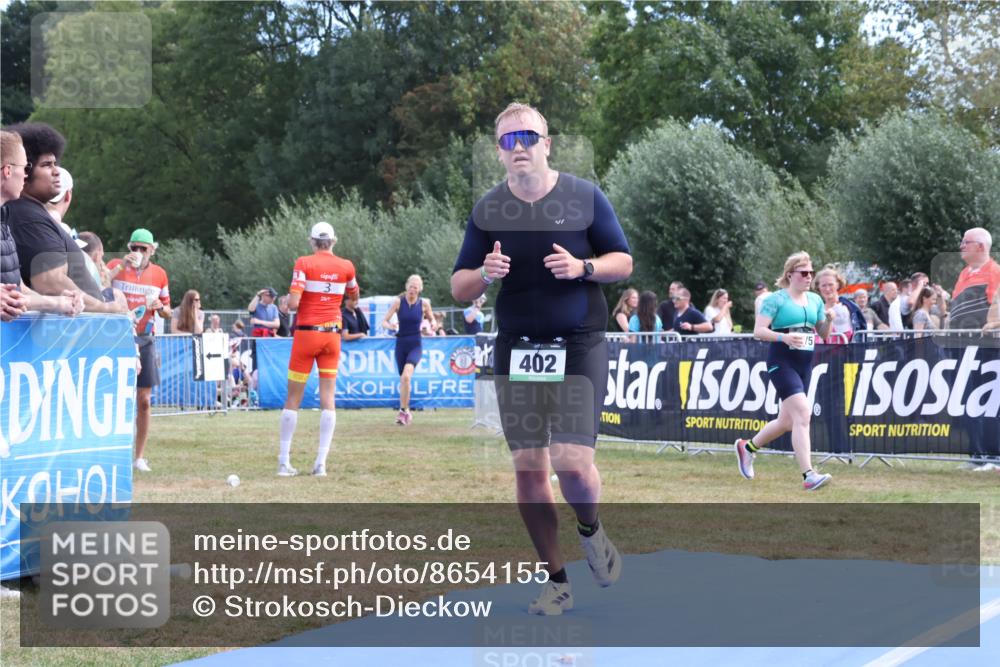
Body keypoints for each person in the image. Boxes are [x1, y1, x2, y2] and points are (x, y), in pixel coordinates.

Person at [451, 102, 633, 616]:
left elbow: (623, 260)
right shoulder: (488, 209)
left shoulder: (583, 196)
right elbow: (459, 285)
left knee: (571, 463)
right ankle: (557, 580)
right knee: (529, 469)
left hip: (578, 343)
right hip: (518, 347)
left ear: (547, 143)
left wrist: (583, 267)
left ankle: (591, 531)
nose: (519, 148)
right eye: (508, 141)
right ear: (498, 152)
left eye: (528, 137)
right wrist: (486, 273)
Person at [735, 251, 834, 490]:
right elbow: (759, 331)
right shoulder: (776, 299)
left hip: (804, 364)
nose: (809, 277)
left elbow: (823, 335)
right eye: (803, 273)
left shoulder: (815, 300)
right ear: (790, 275)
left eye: (811, 272)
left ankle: (746, 448)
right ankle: (809, 476)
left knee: (786, 421)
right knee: (803, 413)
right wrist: (784, 338)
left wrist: (828, 320)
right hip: (781, 361)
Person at [4, 123, 122, 314]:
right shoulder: (27, 217)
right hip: (67, 337)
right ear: (24, 172)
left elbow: (21, 289)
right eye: (46, 165)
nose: (56, 171)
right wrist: (108, 309)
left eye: (55, 163)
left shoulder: (28, 212)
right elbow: (51, 283)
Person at [275, 221, 359, 477]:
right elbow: (354, 298)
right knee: (328, 398)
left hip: (306, 334)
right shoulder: (346, 266)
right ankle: (321, 463)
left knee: (293, 399)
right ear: (333, 241)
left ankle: (283, 462)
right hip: (332, 336)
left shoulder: (304, 263)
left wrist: (284, 304)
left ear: (312, 242)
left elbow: (293, 303)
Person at [107, 228, 172, 473]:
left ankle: (139, 457)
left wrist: (160, 308)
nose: (137, 253)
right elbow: (96, 284)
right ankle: (113, 451)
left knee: (143, 400)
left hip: (145, 338)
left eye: (142, 249)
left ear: (152, 250)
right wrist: (117, 266)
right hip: (116, 337)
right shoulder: (117, 264)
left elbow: (168, 310)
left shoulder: (159, 274)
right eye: (133, 247)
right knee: (113, 397)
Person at [1, 130, 83, 320]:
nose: (25, 175)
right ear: (8, 171)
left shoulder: (4, 219)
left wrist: (62, 303)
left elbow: (17, 291)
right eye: (25, 167)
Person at [381, 274, 434, 425]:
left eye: (415, 287)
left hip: (415, 344)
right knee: (404, 380)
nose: (412, 289)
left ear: (419, 290)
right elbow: (384, 321)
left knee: (406, 377)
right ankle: (406, 410)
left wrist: (433, 325)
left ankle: (403, 413)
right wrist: (390, 326)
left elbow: (432, 319)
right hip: (401, 344)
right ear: (406, 287)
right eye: (411, 286)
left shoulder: (424, 304)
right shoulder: (398, 302)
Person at [814, 267, 852, 344]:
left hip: (842, 353)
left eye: (831, 284)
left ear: (837, 285)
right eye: (823, 285)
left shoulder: (844, 309)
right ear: (818, 287)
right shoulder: (817, 309)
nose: (827, 289)